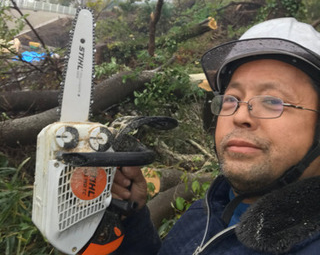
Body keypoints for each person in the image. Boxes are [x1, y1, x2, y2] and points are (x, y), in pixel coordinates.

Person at [111, 17, 320, 255]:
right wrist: (129, 219)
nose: (240, 115)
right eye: (231, 99)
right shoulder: (206, 212)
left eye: (272, 101)